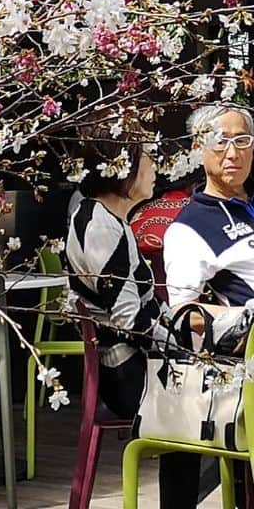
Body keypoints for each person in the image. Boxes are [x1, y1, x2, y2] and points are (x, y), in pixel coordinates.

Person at [65, 127, 204, 507]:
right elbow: (131, 320)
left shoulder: (100, 216)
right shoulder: (101, 227)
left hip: (130, 365)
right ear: (121, 169)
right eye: (146, 158)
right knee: (207, 402)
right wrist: (186, 349)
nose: (155, 167)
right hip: (127, 374)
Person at [164, 105, 254, 308]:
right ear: (198, 148)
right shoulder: (190, 228)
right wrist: (242, 318)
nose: (233, 153)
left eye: (241, 141)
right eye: (220, 142)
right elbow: (182, 310)